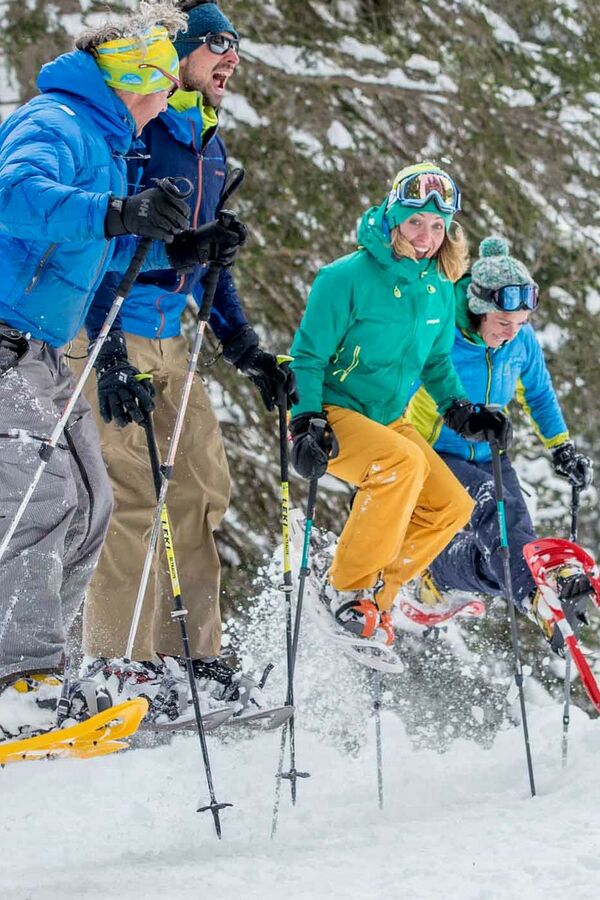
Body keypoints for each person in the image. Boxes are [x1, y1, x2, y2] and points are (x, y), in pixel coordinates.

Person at [0, 3, 245, 739]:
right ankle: (18, 682)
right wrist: (114, 210)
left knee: (92, 503)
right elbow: (14, 194)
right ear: (136, 77)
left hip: (45, 347)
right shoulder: (56, 120)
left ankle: (49, 670)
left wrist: (183, 249)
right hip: (7, 341)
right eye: (164, 83)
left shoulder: (107, 143)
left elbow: (99, 249)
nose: (169, 100)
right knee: (41, 502)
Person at [76, 1, 296, 715]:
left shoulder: (208, 143)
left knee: (200, 492)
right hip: (113, 331)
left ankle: (190, 659)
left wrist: (247, 349)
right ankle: (115, 664)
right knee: (131, 499)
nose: (231, 58)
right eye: (217, 45)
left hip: (175, 339)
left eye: (236, 47)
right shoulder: (137, 131)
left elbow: (206, 265)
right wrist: (107, 354)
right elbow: (95, 249)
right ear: (178, 55)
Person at [288, 162, 512, 645]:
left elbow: (436, 360)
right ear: (392, 217)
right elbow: (307, 357)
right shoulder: (344, 277)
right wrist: (304, 421)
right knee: (401, 465)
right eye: (415, 222)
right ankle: (345, 586)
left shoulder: (437, 287)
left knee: (451, 505)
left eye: (437, 226)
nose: (426, 237)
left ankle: (375, 598)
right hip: (332, 412)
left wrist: (461, 409)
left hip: (388, 419)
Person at [406, 236, 594, 655]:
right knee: (496, 506)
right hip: (433, 453)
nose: (511, 334)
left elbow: (539, 394)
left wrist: (561, 448)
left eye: (521, 323)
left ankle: (442, 572)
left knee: (509, 547)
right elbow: (395, 387)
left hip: (490, 451)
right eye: (503, 323)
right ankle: (536, 597)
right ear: (478, 309)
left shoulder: (520, 341)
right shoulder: (440, 334)